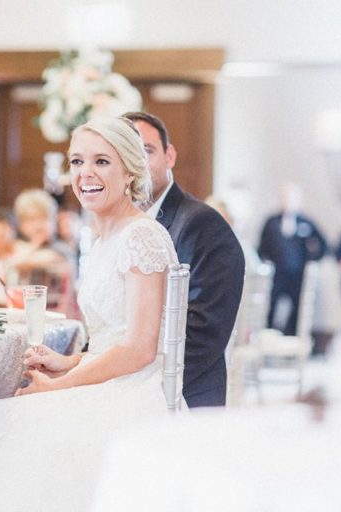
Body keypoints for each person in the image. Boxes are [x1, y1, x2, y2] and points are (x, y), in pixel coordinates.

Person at [0, 117, 181, 511]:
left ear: (130, 170)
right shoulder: (101, 240)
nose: (85, 174)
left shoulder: (142, 236)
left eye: (101, 162)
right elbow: (113, 336)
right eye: (77, 162)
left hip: (134, 392)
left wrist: (61, 385)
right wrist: (70, 360)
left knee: (8, 425)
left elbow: (140, 348)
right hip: (112, 376)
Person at [124, 111, 245, 408]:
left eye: (147, 152)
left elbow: (204, 333)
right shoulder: (122, 229)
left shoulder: (202, 225)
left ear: (170, 156)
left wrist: (137, 388)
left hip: (181, 399)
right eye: (127, 155)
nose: (137, 164)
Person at [257, 182, 327, 335]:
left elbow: (323, 244)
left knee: (297, 308)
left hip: (297, 274)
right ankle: (269, 337)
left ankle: (292, 337)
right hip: (277, 275)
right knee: (271, 306)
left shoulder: (306, 222)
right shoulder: (271, 222)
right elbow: (261, 247)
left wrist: (312, 260)